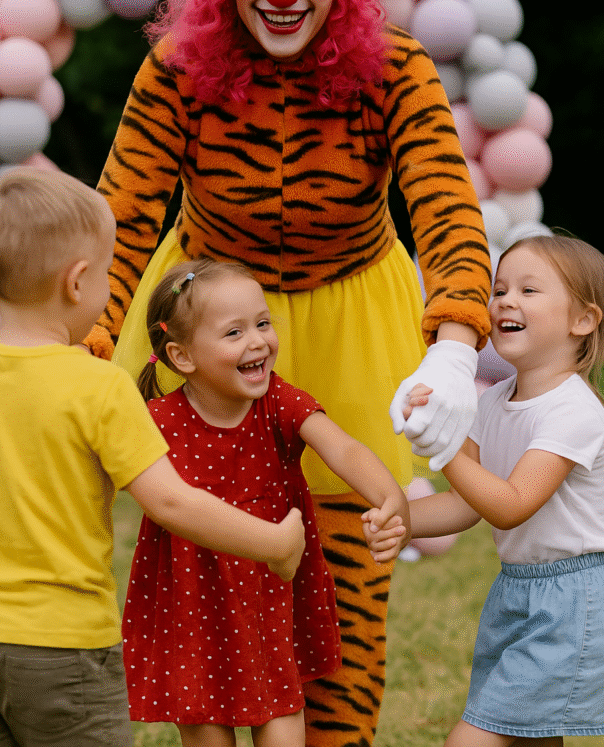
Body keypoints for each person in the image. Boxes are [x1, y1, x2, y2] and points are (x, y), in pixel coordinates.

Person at [86, 0, 491, 745]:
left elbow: (443, 205)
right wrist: (88, 339)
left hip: (352, 313)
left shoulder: (398, 68)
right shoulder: (175, 70)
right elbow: (125, 211)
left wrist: (451, 338)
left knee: (345, 563)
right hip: (205, 316)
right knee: (212, 560)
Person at [0, 168, 305, 747]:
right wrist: (276, 544)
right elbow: (169, 500)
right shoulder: (97, 386)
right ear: (77, 282)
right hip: (60, 644)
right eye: (108, 274)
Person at [123, 256, 410, 747]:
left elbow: (342, 447)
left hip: (268, 596)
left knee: (281, 713)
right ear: (182, 356)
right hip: (193, 603)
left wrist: (389, 496)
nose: (258, 341)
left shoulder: (278, 401)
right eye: (234, 333)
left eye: (262, 324)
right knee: (208, 732)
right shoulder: (157, 420)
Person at [407, 234, 604, 746]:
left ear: (583, 321)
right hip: (518, 592)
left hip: (572, 603)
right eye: (500, 288)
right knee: (528, 738)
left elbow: (509, 506)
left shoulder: (573, 412)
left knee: (476, 737)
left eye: (529, 290)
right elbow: (466, 504)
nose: (505, 300)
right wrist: (398, 516)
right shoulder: (494, 401)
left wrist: (441, 445)